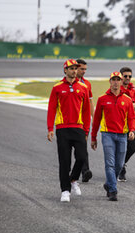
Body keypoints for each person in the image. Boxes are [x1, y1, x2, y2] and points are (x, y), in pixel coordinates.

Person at [47, 59, 91, 202]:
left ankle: (73, 179)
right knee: (64, 161)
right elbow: (52, 109)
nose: (74, 71)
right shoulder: (57, 88)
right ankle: (65, 190)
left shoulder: (83, 88)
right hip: (62, 129)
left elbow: (86, 111)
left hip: (78, 129)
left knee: (82, 157)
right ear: (65, 70)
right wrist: (50, 128)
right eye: (71, 68)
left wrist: (86, 131)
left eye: (75, 68)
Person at [91, 71, 135, 201]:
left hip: (123, 135)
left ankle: (109, 183)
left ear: (122, 82)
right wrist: (93, 138)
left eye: (118, 80)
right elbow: (97, 120)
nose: (116, 82)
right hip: (107, 135)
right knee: (109, 163)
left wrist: (132, 130)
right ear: (110, 82)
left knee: (120, 164)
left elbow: (132, 118)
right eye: (113, 79)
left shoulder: (127, 100)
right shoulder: (102, 99)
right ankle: (113, 190)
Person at [117, 67, 135, 182]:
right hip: (119, 122)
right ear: (121, 76)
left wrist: (127, 103)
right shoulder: (117, 87)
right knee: (120, 147)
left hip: (131, 121)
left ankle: (122, 163)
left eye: (129, 76)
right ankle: (120, 168)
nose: (127, 78)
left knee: (132, 148)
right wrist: (131, 103)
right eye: (125, 76)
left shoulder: (133, 89)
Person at [76, 59, 94, 182]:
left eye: (85, 69)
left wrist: (94, 118)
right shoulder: (68, 82)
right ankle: (80, 171)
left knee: (82, 146)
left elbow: (90, 102)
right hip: (71, 121)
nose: (84, 71)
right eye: (82, 69)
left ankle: (85, 171)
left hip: (84, 120)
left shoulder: (87, 84)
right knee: (78, 147)